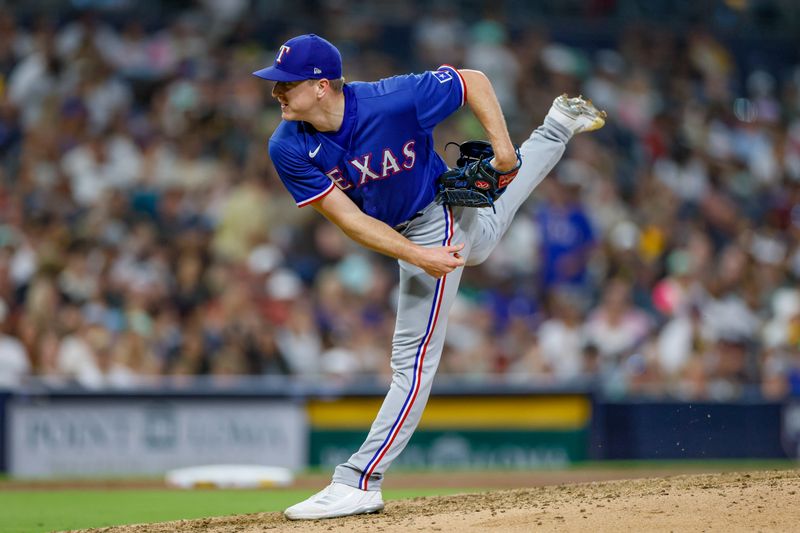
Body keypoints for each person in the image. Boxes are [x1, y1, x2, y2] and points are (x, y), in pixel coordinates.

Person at [253, 33, 605, 520]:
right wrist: (416, 254)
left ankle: (361, 480)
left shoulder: (391, 98)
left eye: (285, 84)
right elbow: (351, 221)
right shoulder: (286, 145)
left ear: (320, 86)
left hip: (435, 210)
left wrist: (503, 153)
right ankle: (557, 127)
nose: (276, 93)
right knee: (482, 241)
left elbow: (472, 81)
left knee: (411, 359)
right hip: (411, 231)